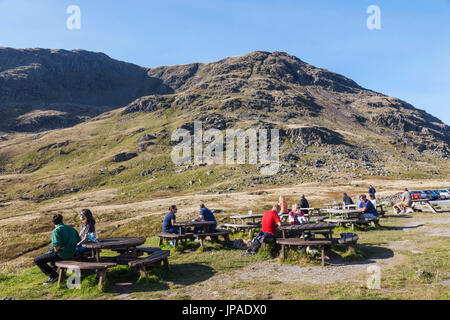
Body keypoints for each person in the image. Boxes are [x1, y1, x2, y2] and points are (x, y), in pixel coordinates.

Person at [34, 214, 80, 284]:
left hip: (63, 255)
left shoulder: (56, 231)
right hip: (72, 252)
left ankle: (53, 276)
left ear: (52, 223)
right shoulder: (72, 228)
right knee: (51, 256)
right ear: (62, 220)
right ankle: (56, 272)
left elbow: (56, 247)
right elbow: (78, 240)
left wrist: (54, 251)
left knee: (38, 260)